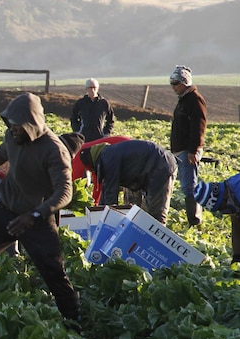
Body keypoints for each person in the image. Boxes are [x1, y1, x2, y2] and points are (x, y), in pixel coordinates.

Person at [0, 93, 83, 328]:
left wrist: (34, 215)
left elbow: (65, 193)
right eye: (10, 125)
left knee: (54, 273)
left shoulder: (54, 151)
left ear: (31, 124)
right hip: (6, 210)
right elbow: (2, 153)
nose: (12, 130)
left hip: (37, 219)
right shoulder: (13, 137)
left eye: (17, 126)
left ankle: (76, 322)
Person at [78, 139, 177, 224]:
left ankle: (156, 243)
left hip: (161, 165)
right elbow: (106, 191)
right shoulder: (106, 155)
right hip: (142, 171)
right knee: (132, 211)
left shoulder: (108, 158)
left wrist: (105, 221)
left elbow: (111, 193)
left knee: (154, 214)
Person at [169, 65, 207, 226]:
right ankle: (194, 218)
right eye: (172, 83)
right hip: (181, 150)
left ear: (185, 82)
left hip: (188, 151)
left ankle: (195, 220)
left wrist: (193, 150)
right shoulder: (184, 100)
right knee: (187, 185)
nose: (173, 86)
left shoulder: (194, 99)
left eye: (175, 83)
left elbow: (199, 127)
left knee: (189, 186)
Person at [193, 176, 240, 262]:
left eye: (221, 207)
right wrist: (237, 257)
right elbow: (236, 225)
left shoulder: (236, 192)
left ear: (224, 197)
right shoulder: (230, 193)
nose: (225, 211)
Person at [70, 78, 115, 142]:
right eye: (90, 88)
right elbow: (73, 118)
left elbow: (111, 120)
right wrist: (78, 132)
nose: (93, 90)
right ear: (86, 89)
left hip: (100, 138)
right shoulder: (80, 103)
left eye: (95, 88)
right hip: (84, 139)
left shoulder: (104, 103)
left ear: (98, 88)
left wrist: (106, 133)